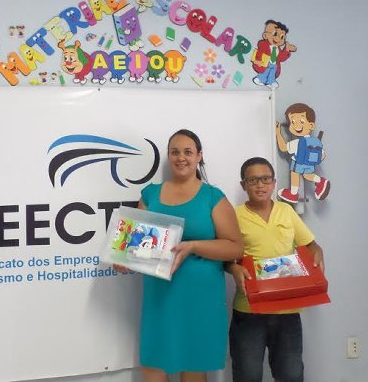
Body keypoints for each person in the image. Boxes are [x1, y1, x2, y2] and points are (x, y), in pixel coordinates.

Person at [118, 129, 244, 382]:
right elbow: (131, 244)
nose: (181, 157)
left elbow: (235, 247)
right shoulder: (150, 194)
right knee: (153, 366)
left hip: (201, 298)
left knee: (193, 366)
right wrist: (123, 259)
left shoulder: (212, 196)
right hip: (160, 297)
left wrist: (193, 246)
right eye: (175, 152)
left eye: (188, 152)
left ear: (199, 156)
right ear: (169, 156)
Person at [225, 157, 324, 382]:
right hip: (249, 310)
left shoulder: (286, 211)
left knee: (291, 374)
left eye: (265, 179)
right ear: (243, 185)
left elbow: (311, 245)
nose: (260, 185)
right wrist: (233, 268)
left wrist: (318, 254)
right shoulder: (233, 215)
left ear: (274, 182)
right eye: (253, 180)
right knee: (247, 375)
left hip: (287, 310)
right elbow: (225, 258)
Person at [276, 103, 330, 203]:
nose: (296, 125)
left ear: (311, 125)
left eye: (301, 121)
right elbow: (322, 155)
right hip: (310, 164)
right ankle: (320, 181)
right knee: (307, 174)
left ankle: (293, 194)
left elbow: (283, 148)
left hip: (299, 163)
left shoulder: (298, 142)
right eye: (293, 122)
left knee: (295, 174)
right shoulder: (315, 141)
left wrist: (278, 133)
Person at [251, 20, 297, 89]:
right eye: (275, 34)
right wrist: (258, 60)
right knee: (265, 72)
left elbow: (281, 57)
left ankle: (271, 81)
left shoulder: (278, 49)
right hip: (266, 63)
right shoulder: (263, 45)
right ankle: (260, 79)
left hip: (274, 65)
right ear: (265, 35)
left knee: (272, 73)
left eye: (282, 37)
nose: (278, 38)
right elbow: (259, 53)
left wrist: (287, 50)